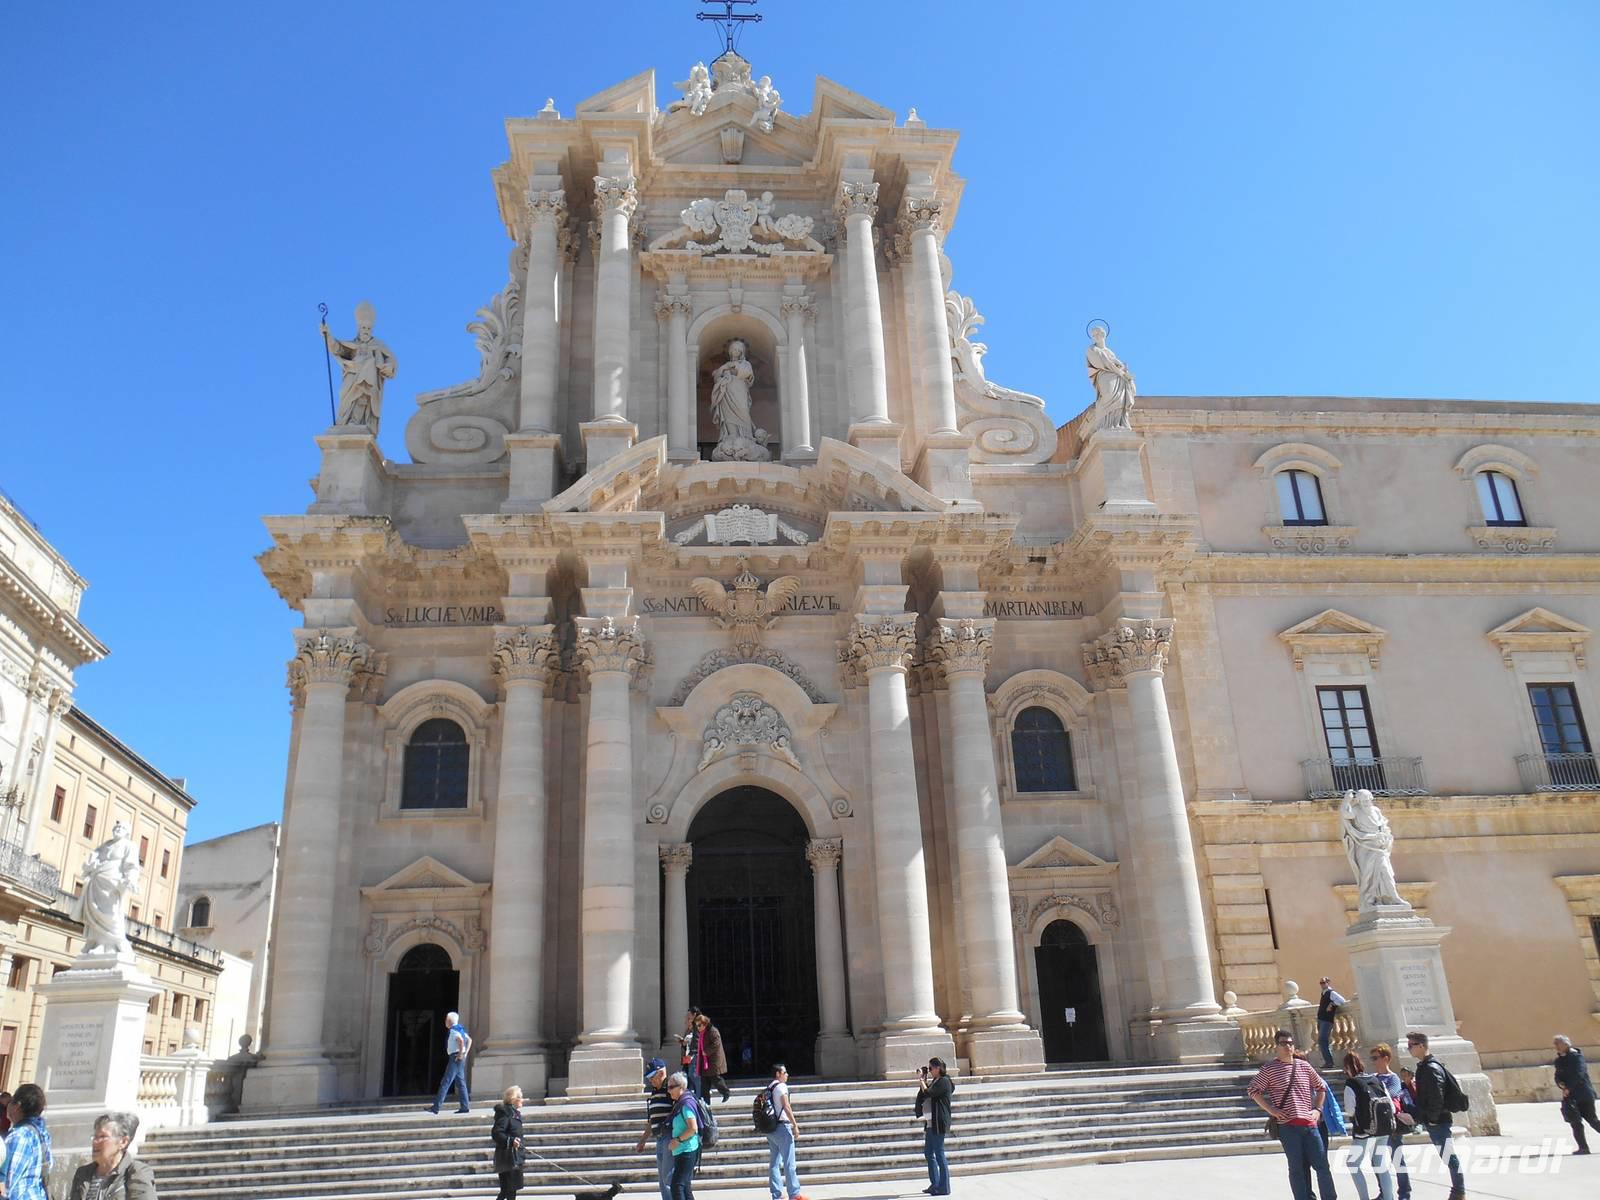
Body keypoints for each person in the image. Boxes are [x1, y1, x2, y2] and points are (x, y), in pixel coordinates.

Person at [1247, 1030, 1337, 1200]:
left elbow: (1321, 1088)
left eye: (1290, 1043)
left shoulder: (1304, 1066)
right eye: (1283, 1043)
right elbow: (1253, 1090)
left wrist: (1317, 1110)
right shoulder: (1270, 1069)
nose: (1288, 1046)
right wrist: (1272, 1111)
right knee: (1296, 1168)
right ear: (1276, 1046)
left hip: (1310, 1125)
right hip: (1288, 1126)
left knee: (1322, 1166)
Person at [1406, 1032, 1464, 1200]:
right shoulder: (1424, 1066)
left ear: (1421, 1046)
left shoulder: (1431, 1068)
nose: (1409, 1049)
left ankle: (1459, 1191)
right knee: (1447, 1155)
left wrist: (1432, 1118)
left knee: (1449, 1156)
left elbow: (1436, 1096)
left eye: (1411, 1045)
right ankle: (1458, 1190)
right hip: (1434, 1119)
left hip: (1438, 1120)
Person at [321, 300, 397, 430]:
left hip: (369, 381)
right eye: (363, 328)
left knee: (364, 393)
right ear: (358, 328)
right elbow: (337, 348)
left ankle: (357, 421)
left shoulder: (378, 346)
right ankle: (347, 420)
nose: (366, 331)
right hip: (352, 377)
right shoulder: (352, 346)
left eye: (368, 328)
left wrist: (388, 367)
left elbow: (391, 360)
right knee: (349, 399)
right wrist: (327, 335)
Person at [1341, 1052, 1395, 1200]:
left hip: (1364, 1131)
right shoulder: (1376, 1079)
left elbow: (1350, 1110)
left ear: (1347, 1068)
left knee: (1353, 1163)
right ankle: (1389, 1197)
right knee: (1380, 1163)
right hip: (1384, 1128)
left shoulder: (1351, 1084)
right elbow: (1392, 1107)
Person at [68, 1111, 157, 1200]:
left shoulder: (136, 1172)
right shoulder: (83, 1174)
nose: (95, 1142)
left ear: (123, 1142)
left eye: (102, 1137)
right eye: (95, 1137)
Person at [1370, 1044, 1414, 1200]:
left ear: (1386, 1058)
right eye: (1372, 1058)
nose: (1373, 1061)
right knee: (1377, 1160)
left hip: (1392, 1124)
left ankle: (1404, 1193)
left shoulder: (1393, 1078)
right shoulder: (1373, 1077)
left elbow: (1391, 1095)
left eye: (1376, 1058)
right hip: (1377, 1125)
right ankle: (1384, 1192)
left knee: (1397, 1159)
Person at [634, 1058, 675, 1200]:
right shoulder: (654, 1092)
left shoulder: (671, 1088)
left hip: (669, 1136)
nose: (650, 1081)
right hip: (659, 1138)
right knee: (662, 1180)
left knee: (668, 1177)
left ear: (660, 1073)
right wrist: (643, 1140)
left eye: (651, 1077)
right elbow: (652, 1119)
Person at [764, 1063, 806, 1200]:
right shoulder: (781, 1087)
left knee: (774, 1163)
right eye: (785, 1072)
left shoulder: (769, 1087)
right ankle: (794, 1194)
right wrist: (795, 1124)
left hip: (771, 1129)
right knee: (789, 1162)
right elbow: (786, 1106)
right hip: (782, 1127)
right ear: (778, 1074)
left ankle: (776, 1195)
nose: (787, 1075)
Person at [2, 1084, 52, 1200]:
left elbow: (8, 1180)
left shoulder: (19, 1136)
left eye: (12, 1100)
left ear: (17, 1107)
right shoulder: (42, 1133)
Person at [1552, 1034, 1600, 1154]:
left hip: (1584, 1094)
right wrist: (1561, 1084)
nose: (1556, 1046)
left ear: (1566, 1044)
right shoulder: (1559, 1061)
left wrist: (1569, 1088)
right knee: (1575, 1122)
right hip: (1570, 1096)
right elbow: (1557, 1076)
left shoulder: (1577, 1057)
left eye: (1557, 1043)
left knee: (1592, 1120)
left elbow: (1579, 1074)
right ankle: (1583, 1147)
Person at [914, 1057, 955, 1197]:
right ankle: (935, 1184)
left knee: (939, 1154)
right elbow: (923, 1095)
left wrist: (921, 1080)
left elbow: (928, 1093)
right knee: (928, 1153)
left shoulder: (944, 1081)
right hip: (931, 1123)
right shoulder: (935, 1081)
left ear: (938, 1068)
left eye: (931, 1068)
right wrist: (924, 1080)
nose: (930, 1071)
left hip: (938, 1123)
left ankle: (944, 1187)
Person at [426, 1011, 472, 1114]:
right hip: (459, 1058)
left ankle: (436, 1107)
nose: (445, 1021)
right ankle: (465, 1107)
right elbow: (469, 1040)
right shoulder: (460, 1029)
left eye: (446, 1019)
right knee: (461, 1083)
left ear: (449, 1021)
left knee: (446, 1082)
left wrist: (461, 1053)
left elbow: (460, 1041)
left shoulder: (453, 1031)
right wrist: (465, 1053)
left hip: (455, 1057)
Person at [665, 1071, 701, 1200]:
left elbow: (693, 1128)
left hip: (687, 1150)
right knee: (685, 1186)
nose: (668, 1091)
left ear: (681, 1087)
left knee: (677, 1186)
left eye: (671, 1087)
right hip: (684, 1150)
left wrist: (677, 1140)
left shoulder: (685, 1104)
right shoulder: (682, 1102)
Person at [491, 1085, 526, 1200]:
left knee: (510, 1190)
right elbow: (497, 1133)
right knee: (507, 1190)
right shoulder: (506, 1113)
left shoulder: (514, 1113)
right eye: (520, 1097)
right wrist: (511, 1141)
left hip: (515, 1156)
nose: (523, 1099)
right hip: (508, 1157)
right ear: (513, 1099)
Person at [691, 1012, 731, 1104]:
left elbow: (716, 1044)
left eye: (700, 1025)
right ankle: (705, 1102)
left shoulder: (713, 1031)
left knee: (715, 1078)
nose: (698, 1027)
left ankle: (725, 1092)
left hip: (713, 1060)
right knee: (704, 1083)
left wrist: (706, 1051)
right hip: (705, 1061)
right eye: (697, 1025)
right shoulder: (702, 1033)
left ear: (705, 1024)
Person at [1317, 978, 1348, 1070]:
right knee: (1323, 1041)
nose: (1322, 984)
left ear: (1328, 983)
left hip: (1327, 1020)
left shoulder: (1331, 992)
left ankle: (1329, 1062)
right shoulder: (1324, 993)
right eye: (1321, 983)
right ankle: (1328, 1061)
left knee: (1323, 1040)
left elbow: (1342, 1001)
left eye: (1324, 982)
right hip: (1322, 1019)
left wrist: (1332, 1004)